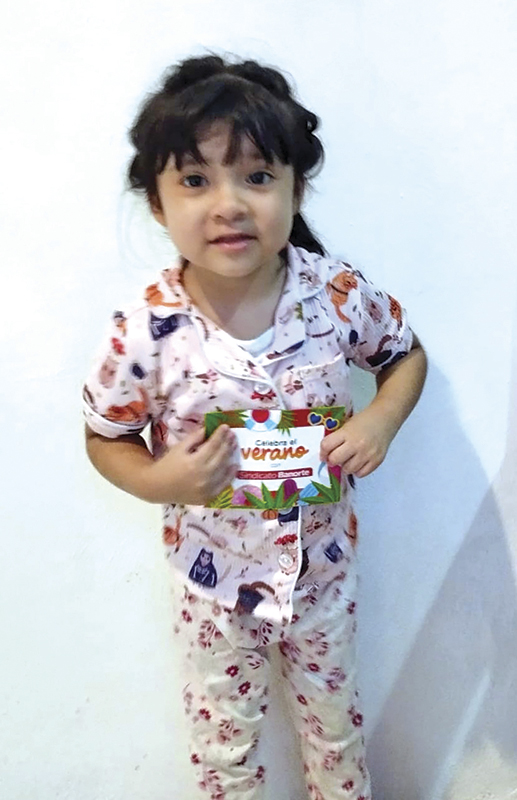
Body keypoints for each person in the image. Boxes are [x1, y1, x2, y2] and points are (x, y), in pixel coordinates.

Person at [83, 54, 427, 800]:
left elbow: (404, 356)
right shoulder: (143, 331)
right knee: (224, 751)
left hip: (322, 577)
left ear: (295, 189)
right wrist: (158, 479)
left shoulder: (337, 296)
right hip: (211, 590)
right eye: (195, 180)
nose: (229, 204)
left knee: (335, 734)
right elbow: (105, 435)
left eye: (257, 176)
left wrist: (380, 420)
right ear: (156, 203)